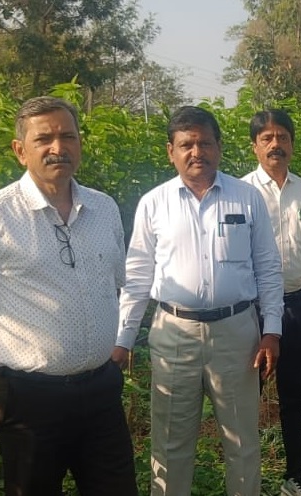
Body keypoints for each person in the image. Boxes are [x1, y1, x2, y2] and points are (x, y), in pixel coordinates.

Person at [0, 96, 138, 496]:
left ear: (80, 144)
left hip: (101, 391)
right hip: (27, 400)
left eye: (68, 136)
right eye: (44, 139)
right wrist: (5, 363)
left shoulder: (104, 209)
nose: (58, 148)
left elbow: (115, 284)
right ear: (20, 151)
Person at [116, 106, 284, 496]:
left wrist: (272, 330)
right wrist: (123, 340)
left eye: (205, 143)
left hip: (238, 334)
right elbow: (137, 274)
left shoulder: (247, 198)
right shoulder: (153, 203)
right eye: (186, 144)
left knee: (242, 440)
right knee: (171, 442)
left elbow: (268, 268)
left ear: (219, 147)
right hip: (174, 332)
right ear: (170, 151)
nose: (197, 152)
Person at [240, 109, 301, 496]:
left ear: (292, 144)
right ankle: (248, 479)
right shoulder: (241, 193)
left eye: (282, 137)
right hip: (251, 307)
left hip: (297, 305)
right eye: (267, 138)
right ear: (255, 147)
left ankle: (295, 477)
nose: (275, 144)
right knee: (247, 395)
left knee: (295, 395)